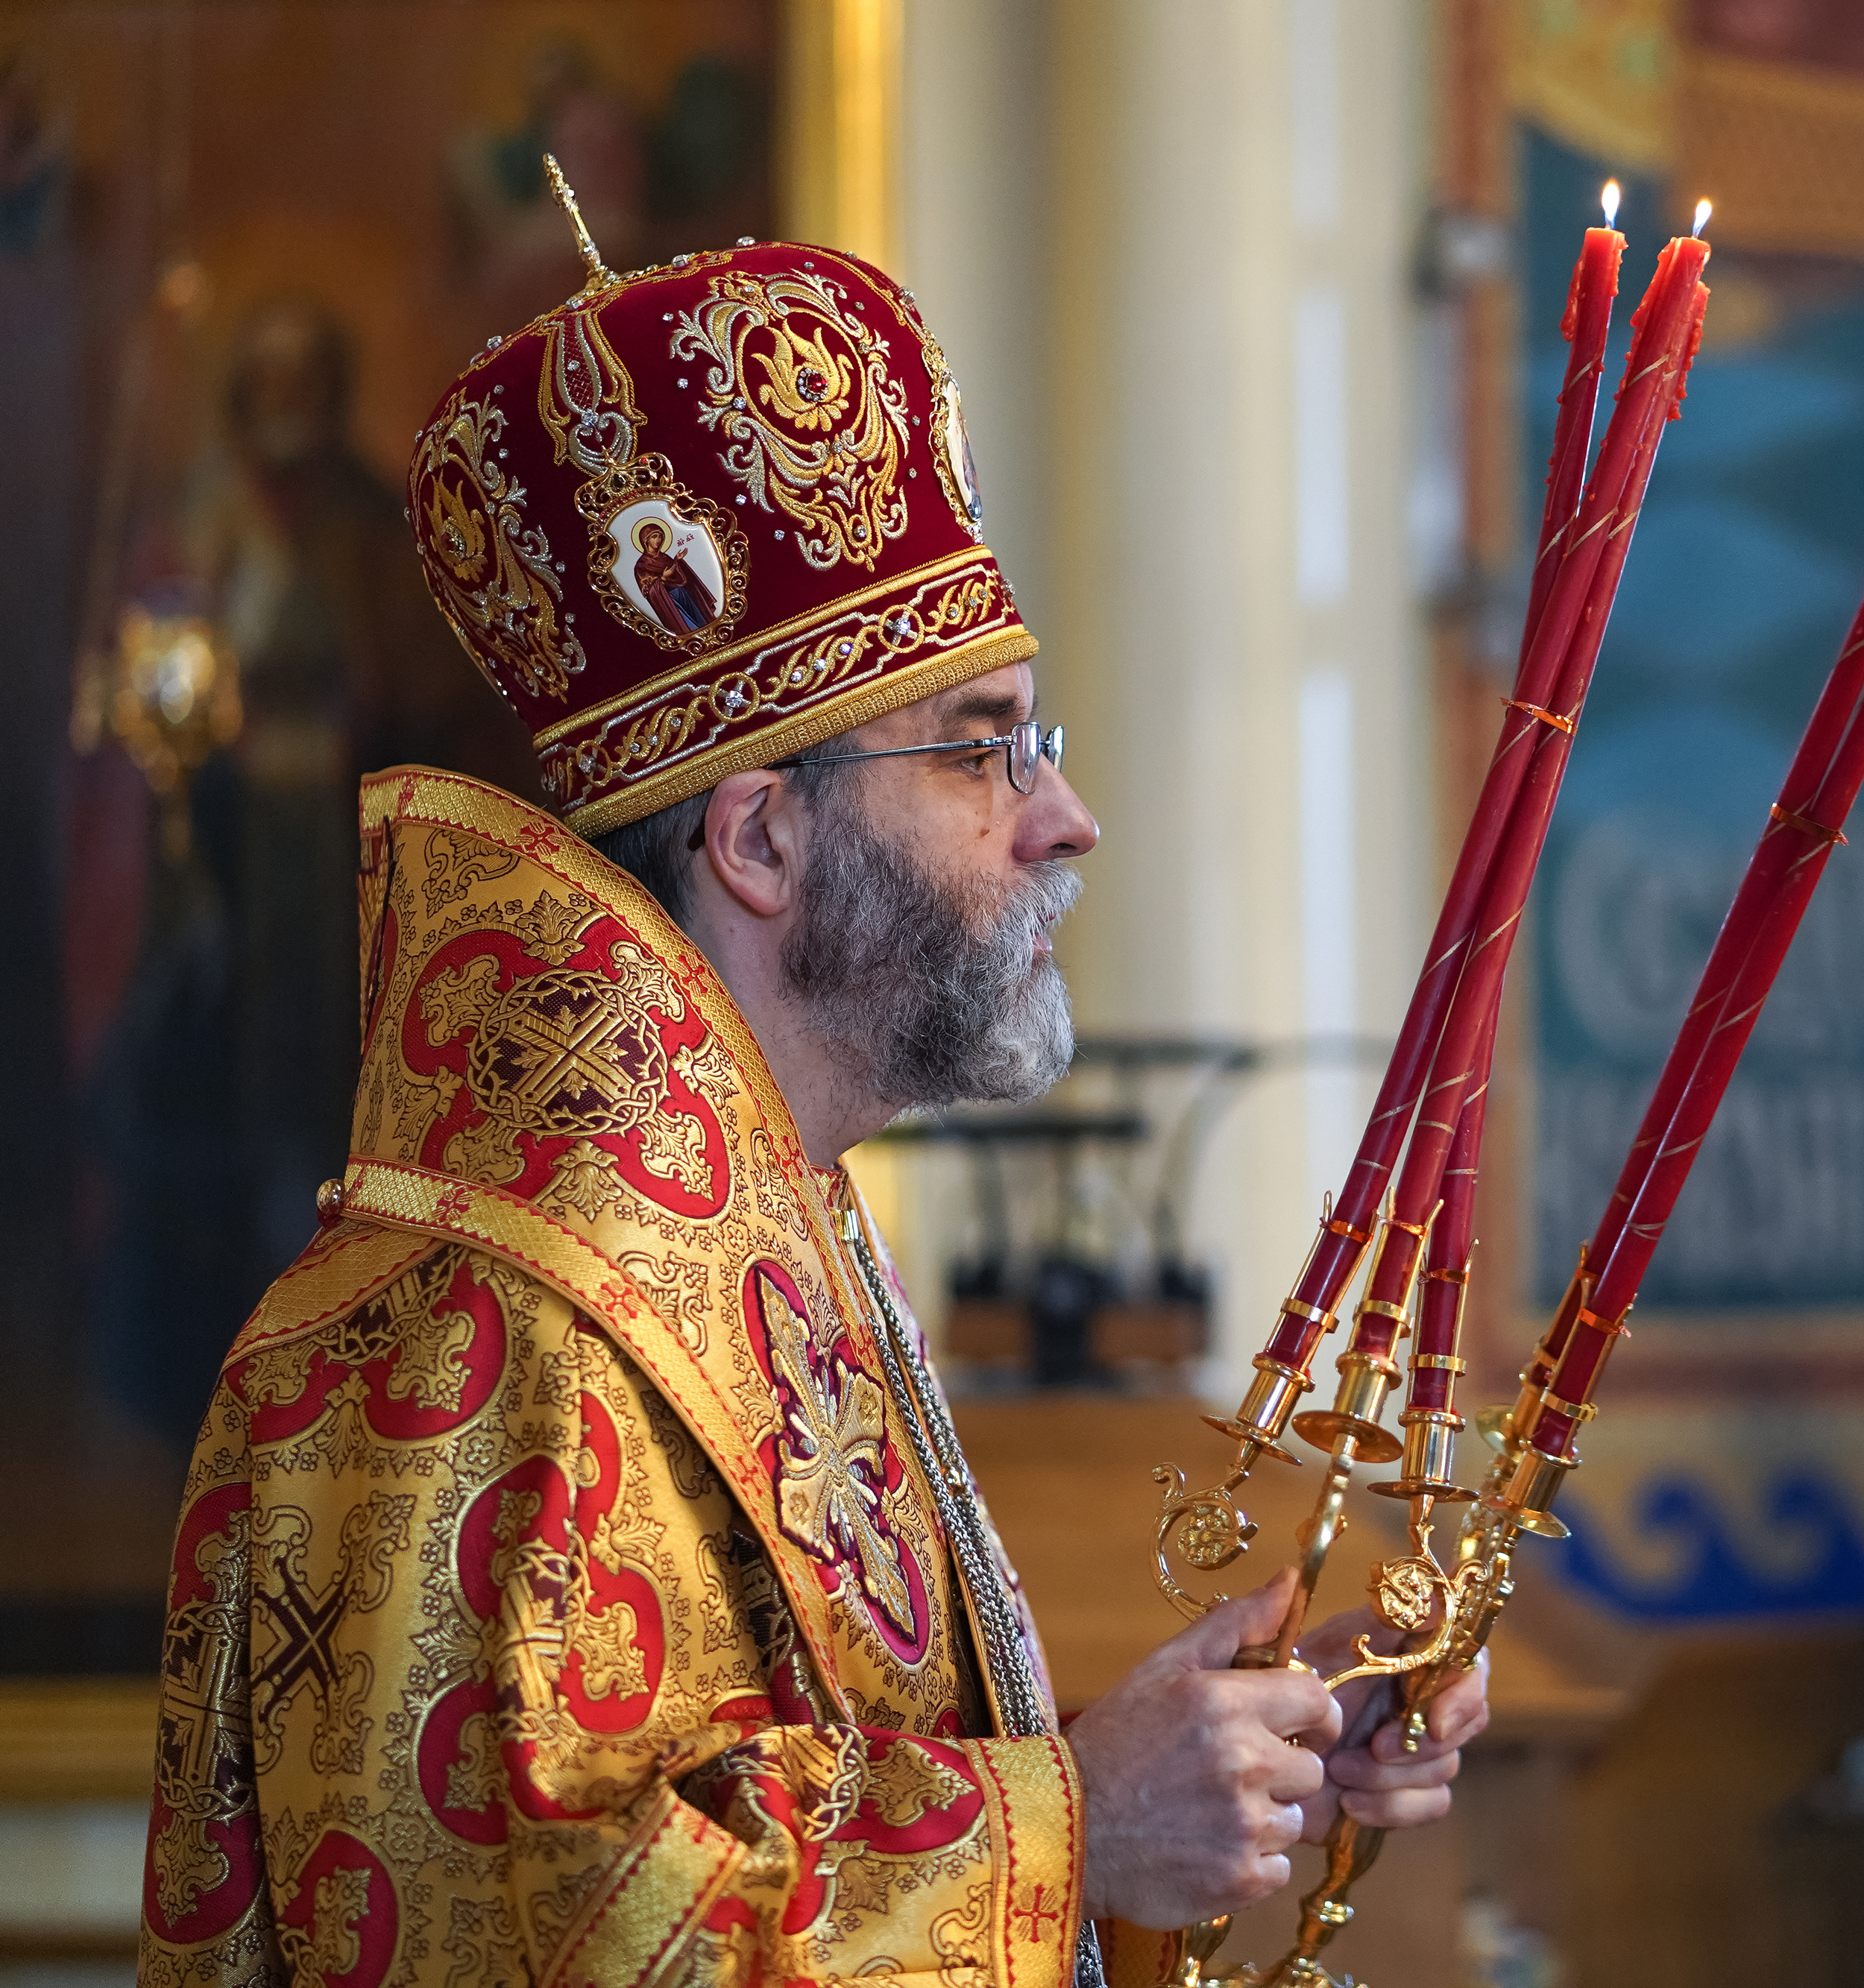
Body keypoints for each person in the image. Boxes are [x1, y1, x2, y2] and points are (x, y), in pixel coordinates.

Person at [138, 192, 1486, 1988]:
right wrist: (1070, 1823)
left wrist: (1199, 1779)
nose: (1062, 817)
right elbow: (552, 1951)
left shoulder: (773, 1240)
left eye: (1044, 744)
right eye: (986, 747)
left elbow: (777, 1818)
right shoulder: (471, 1341)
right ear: (764, 837)